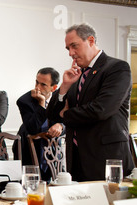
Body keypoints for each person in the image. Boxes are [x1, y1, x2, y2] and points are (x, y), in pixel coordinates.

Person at [47, 23, 133, 182]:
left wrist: (65, 113)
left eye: (74, 46)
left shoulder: (117, 68)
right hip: (77, 160)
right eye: (68, 49)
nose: (71, 53)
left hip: (107, 160)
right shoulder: (76, 75)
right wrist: (65, 86)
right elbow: (52, 114)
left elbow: (100, 110)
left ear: (91, 40)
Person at [13, 67, 65, 182]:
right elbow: (33, 128)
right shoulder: (24, 101)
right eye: (37, 82)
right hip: (28, 148)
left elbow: (68, 121)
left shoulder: (60, 98)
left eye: (43, 85)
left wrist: (60, 126)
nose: (37, 87)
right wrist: (42, 104)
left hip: (53, 150)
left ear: (54, 88)